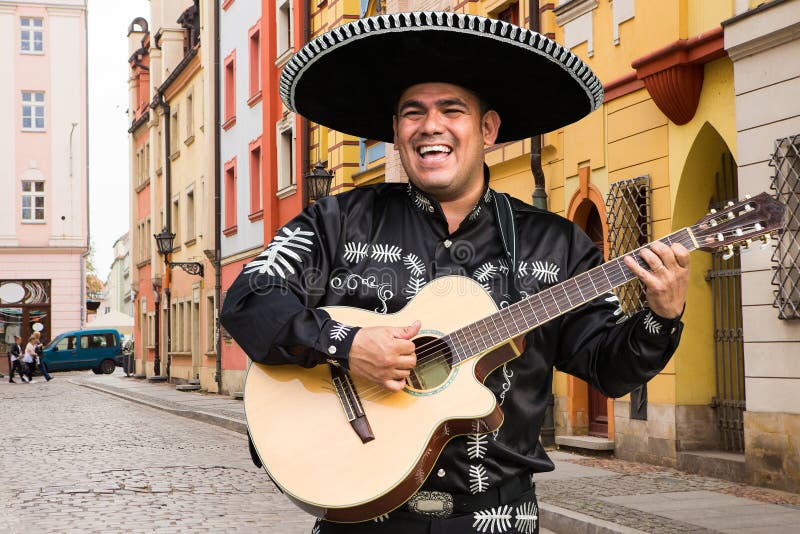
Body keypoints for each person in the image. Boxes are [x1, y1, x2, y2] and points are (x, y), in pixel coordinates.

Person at [221, 12, 689, 534]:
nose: (430, 126)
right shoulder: (336, 222)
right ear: (396, 133)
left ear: (487, 129)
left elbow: (610, 368)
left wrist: (662, 317)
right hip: (361, 518)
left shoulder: (557, 245)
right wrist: (346, 343)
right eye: (412, 113)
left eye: (452, 110)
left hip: (498, 520)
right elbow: (248, 299)